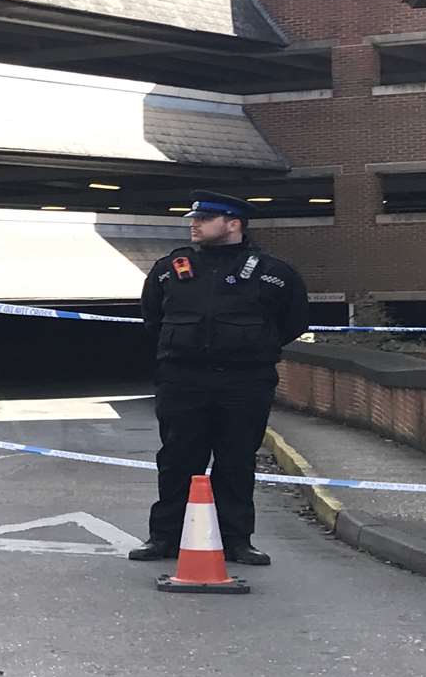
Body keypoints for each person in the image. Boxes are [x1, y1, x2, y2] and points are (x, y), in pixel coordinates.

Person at [132, 190, 313, 565]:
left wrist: (252, 349)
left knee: (236, 461)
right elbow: (153, 319)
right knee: (177, 460)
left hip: (244, 383)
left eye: (205, 218)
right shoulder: (170, 268)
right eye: (194, 219)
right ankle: (163, 537)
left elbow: (292, 322)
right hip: (183, 380)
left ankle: (236, 541)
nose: (194, 224)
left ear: (233, 224)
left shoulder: (273, 273)